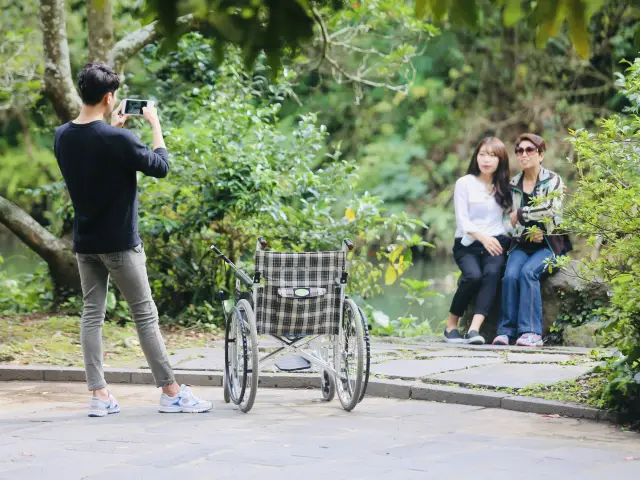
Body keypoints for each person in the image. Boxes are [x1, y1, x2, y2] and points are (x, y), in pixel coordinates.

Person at [54, 63, 212, 416]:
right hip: (121, 244)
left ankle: (99, 395)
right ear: (110, 98)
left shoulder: (62, 135)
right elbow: (161, 165)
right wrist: (154, 124)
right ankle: (171, 392)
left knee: (91, 316)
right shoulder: (118, 140)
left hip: (86, 244)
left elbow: (92, 159)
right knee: (144, 315)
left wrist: (114, 131)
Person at [493, 133, 572, 347]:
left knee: (529, 272)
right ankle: (506, 331)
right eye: (519, 150)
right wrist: (524, 232)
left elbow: (550, 209)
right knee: (510, 276)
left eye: (529, 150)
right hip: (522, 244)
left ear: (541, 154)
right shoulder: (513, 184)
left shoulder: (553, 180)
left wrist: (521, 214)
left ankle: (531, 333)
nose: (523, 154)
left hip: (551, 245)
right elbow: (505, 221)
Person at [444, 137, 512, 345]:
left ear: (500, 160)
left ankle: (474, 329)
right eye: (482, 154)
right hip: (468, 243)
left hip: (496, 241)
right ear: (476, 156)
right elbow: (463, 221)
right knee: (473, 276)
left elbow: (508, 219)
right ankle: (451, 326)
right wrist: (483, 237)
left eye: (492, 156)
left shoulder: (504, 187)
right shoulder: (464, 183)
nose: (486, 160)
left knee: (492, 274)